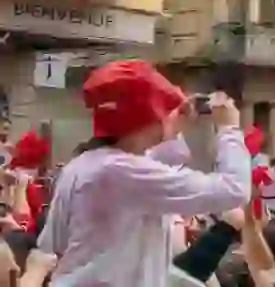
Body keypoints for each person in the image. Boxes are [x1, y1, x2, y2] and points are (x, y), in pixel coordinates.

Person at [37, 59, 251, 286]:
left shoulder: (84, 165)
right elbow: (234, 189)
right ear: (147, 115)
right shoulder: (122, 172)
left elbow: (158, 161)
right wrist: (229, 129)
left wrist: (173, 125)